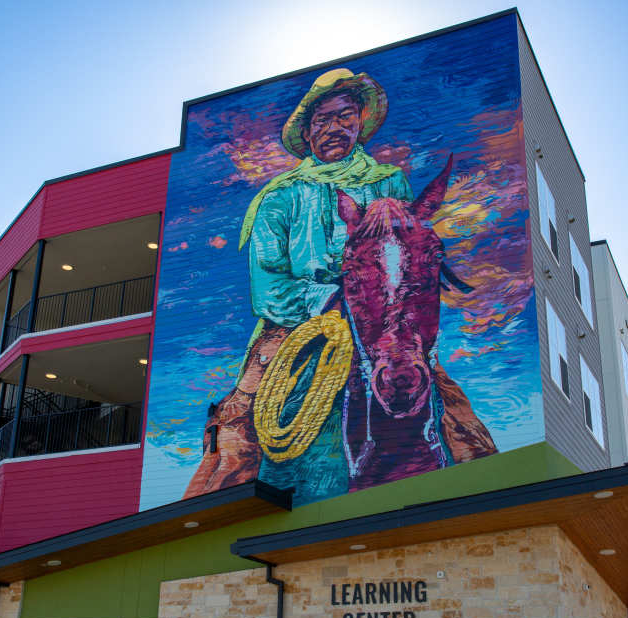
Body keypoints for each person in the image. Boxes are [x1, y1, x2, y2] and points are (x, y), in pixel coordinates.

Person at [184, 69, 495, 503]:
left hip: (384, 319)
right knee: (243, 425)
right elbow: (268, 288)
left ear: (360, 121)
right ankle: (219, 501)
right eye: (322, 121)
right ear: (307, 132)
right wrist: (333, 298)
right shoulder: (279, 197)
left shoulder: (390, 181)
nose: (334, 128)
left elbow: (406, 253)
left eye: (345, 116)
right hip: (295, 325)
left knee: (456, 414)